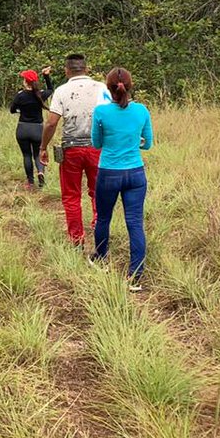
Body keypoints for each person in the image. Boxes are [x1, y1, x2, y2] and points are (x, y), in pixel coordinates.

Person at [39, 54, 111, 246]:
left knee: (71, 195)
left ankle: (76, 238)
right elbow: (110, 116)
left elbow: (52, 122)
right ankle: (99, 229)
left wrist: (43, 147)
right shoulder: (101, 88)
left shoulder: (62, 91)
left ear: (67, 70)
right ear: (86, 69)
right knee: (98, 192)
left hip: (71, 148)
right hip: (97, 147)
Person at [90, 67, 153, 291]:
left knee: (103, 218)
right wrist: (133, 142)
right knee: (135, 223)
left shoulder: (100, 112)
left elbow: (97, 144)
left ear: (109, 88)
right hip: (136, 173)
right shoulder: (142, 110)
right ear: (130, 86)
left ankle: (100, 258)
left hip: (109, 172)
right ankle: (135, 276)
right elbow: (148, 143)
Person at [9, 66, 55, 189]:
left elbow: (12, 110)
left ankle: (30, 182)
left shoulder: (20, 96)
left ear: (25, 81)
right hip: (38, 129)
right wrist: (46, 76)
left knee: (26, 155)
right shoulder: (40, 95)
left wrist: (20, 109)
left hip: (23, 128)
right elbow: (51, 89)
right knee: (38, 154)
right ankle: (40, 172)